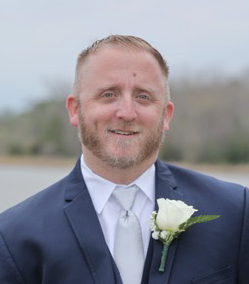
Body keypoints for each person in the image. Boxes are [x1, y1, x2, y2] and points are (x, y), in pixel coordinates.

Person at [0, 35, 248, 284]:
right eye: (108, 94)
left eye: (143, 97)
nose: (127, 113)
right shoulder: (13, 235)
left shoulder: (236, 213)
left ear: (166, 115)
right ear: (75, 109)